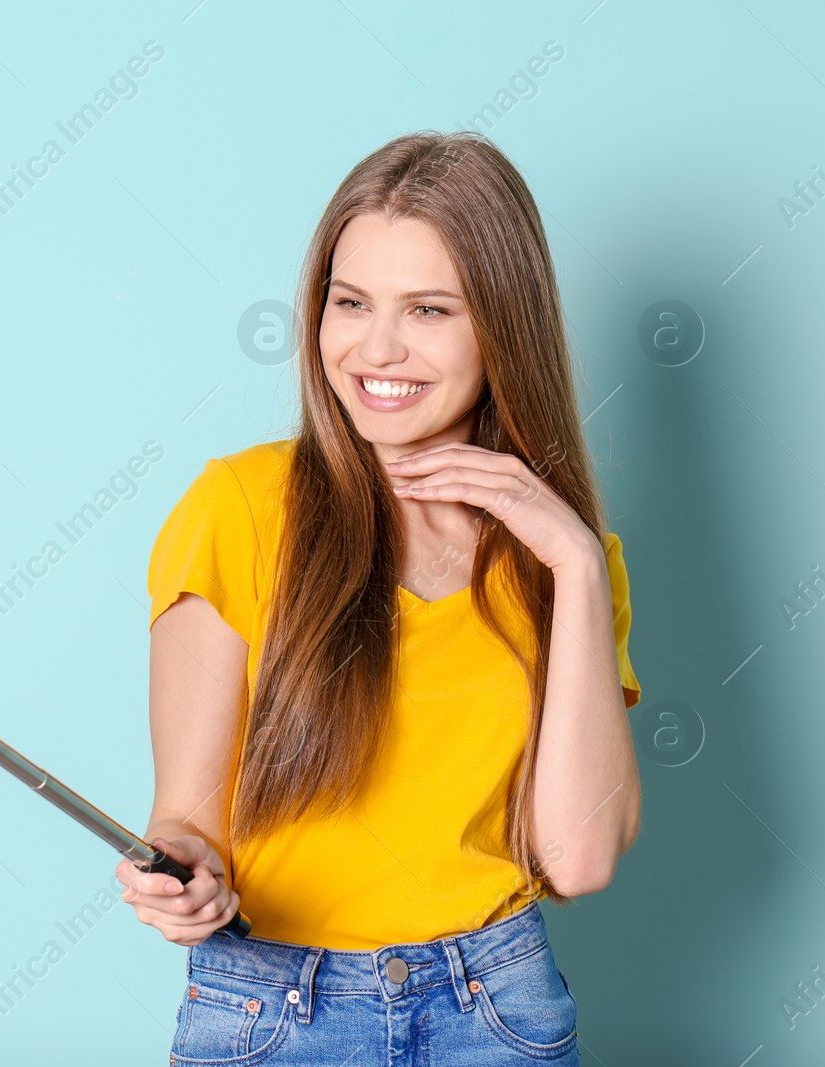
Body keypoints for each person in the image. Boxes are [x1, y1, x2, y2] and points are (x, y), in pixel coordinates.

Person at [114, 130, 642, 1065]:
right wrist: (181, 874)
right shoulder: (236, 508)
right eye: (350, 302)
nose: (377, 347)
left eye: (430, 309)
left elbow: (582, 857)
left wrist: (576, 563)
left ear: (502, 327)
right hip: (274, 1010)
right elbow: (184, 820)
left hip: (499, 1011)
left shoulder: (570, 563)